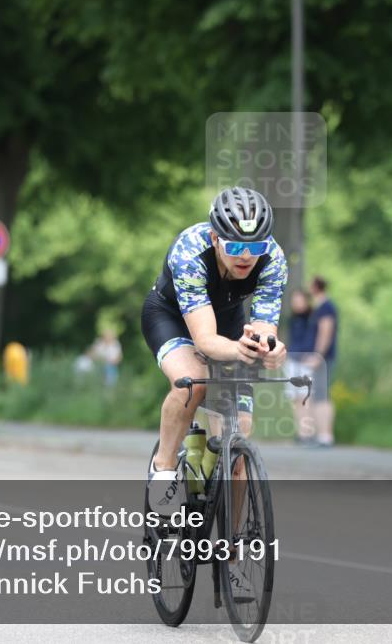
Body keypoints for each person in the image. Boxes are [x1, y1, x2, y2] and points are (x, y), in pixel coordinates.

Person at [140, 187, 288, 596]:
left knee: (238, 434)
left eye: (255, 245)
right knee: (194, 381)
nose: (246, 255)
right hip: (172, 318)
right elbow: (204, 340)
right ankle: (165, 468)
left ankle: (234, 558)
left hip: (227, 322)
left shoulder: (272, 259)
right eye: (235, 244)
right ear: (214, 238)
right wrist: (239, 348)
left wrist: (269, 349)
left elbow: (263, 327)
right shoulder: (189, 252)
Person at [306, 276, 338, 448]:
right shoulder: (320, 307)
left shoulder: (326, 307)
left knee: (322, 396)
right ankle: (320, 434)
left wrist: (318, 355)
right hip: (321, 358)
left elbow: (325, 332)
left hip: (323, 359)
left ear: (317, 287)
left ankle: (325, 435)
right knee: (318, 395)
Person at [285, 289, 317, 443]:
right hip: (292, 360)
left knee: (306, 397)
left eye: (299, 300)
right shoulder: (293, 318)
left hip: (306, 361)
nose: (296, 304)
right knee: (295, 398)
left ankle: (309, 432)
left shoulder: (312, 318)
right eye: (294, 301)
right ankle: (301, 431)